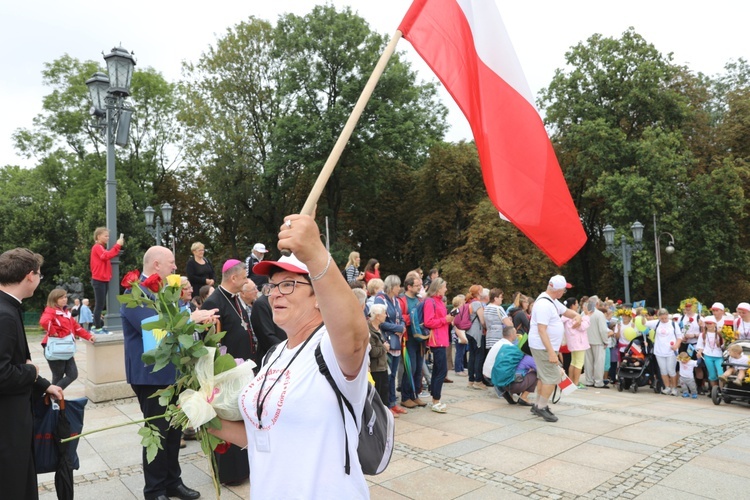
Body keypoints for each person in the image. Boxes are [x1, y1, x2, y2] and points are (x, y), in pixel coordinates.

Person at [210, 214, 370, 499]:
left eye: (289, 284)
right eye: (272, 286)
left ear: (318, 295)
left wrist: (315, 252)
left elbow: (355, 338)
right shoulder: (274, 354)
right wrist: (201, 416)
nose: (274, 294)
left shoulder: (331, 349)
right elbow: (260, 435)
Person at [121, 245, 217, 500]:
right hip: (151, 376)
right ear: (156, 265)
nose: (175, 267)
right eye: (172, 263)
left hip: (172, 373)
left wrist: (196, 326)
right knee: (157, 433)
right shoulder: (135, 293)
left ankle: (172, 482)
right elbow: (153, 330)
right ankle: (154, 490)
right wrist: (191, 319)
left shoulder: (163, 292)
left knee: (174, 431)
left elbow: (178, 330)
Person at [0, 248, 64, 499]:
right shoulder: (4, 314)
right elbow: (3, 373)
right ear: (29, 276)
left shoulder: (8, 306)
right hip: (8, 425)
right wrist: (31, 370)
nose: (39, 280)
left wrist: (43, 384)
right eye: (39, 275)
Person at [201, 259, 254, 486]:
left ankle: (243, 470)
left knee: (241, 418)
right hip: (226, 376)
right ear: (233, 278)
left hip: (241, 373)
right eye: (244, 276)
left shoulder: (234, 299)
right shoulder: (213, 302)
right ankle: (229, 474)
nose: (246, 280)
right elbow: (207, 342)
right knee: (227, 421)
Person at [528, 275, 580, 422]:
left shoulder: (551, 300)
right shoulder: (545, 304)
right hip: (544, 347)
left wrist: (577, 316)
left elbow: (567, 312)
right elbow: (542, 330)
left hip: (544, 346)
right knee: (551, 377)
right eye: (564, 289)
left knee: (543, 377)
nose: (564, 292)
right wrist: (552, 353)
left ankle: (537, 404)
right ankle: (542, 407)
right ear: (558, 291)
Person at [39, 289, 96, 389]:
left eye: (65, 297)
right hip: (55, 347)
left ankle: (51, 398)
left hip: (66, 347)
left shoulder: (65, 312)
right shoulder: (51, 310)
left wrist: (88, 336)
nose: (64, 299)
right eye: (61, 298)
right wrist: (53, 332)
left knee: (72, 374)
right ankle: (53, 400)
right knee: (58, 376)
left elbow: (76, 327)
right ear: (54, 299)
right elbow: (44, 321)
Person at [374, 275, 407, 417]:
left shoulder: (396, 300)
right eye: (398, 285)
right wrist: (398, 328)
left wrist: (403, 327)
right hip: (386, 342)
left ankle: (393, 403)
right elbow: (379, 321)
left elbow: (401, 318)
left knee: (393, 375)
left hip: (396, 341)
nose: (400, 288)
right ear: (392, 286)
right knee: (387, 376)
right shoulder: (380, 298)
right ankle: (386, 405)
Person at [483, 325, 536, 406]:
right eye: (515, 333)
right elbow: (543, 371)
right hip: (495, 378)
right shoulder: (511, 347)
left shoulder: (502, 344)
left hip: (492, 375)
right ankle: (523, 397)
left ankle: (508, 392)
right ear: (511, 335)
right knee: (534, 375)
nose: (517, 335)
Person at [397, 274, 427, 409]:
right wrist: (413, 318)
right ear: (409, 287)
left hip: (420, 339)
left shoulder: (420, 300)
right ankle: (405, 397)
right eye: (417, 286)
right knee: (411, 368)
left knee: (418, 369)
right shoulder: (402, 300)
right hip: (408, 338)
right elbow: (399, 317)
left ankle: (415, 395)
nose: (420, 287)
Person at [423, 277, 452, 413]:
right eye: (444, 287)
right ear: (438, 288)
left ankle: (435, 398)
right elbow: (428, 322)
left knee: (437, 370)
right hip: (437, 339)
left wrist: (447, 319)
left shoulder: (439, 301)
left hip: (442, 338)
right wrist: (444, 320)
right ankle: (436, 400)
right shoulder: (430, 301)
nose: (446, 289)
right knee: (441, 370)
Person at [89, 227, 124, 333]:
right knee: (99, 304)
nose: (108, 238)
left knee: (100, 303)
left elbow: (107, 255)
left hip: (102, 279)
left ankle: (96, 326)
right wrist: (117, 245)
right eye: (106, 236)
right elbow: (106, 256)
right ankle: (98, 327)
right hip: (99, 279)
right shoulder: (97, 247)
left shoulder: (100, 247)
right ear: (98, 236)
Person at [562, 297, 591, 389]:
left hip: (573, 342)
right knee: (579, 363)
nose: (578, 305)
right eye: (577, 303)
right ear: (573, 305)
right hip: (579, 343)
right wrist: (587, 316)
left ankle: (571, 381)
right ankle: (576, 383)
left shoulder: (565, 317)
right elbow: (582, 327)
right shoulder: (572, 316)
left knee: (573, 362)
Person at [653, 308, 682, 396]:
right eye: (662, 318)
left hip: (670, 351)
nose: (664, 320)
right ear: (659, 317)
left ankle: (674, 388)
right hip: (659, 350)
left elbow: (679, 337)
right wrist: (642, 315)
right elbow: (644, 323)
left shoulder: (674, 324)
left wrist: (676, 345)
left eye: (665, 318)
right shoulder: (656, 323)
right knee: (663, 370)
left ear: (668, 316)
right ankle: (667, 387)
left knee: (671, 370)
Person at [584, 296, 612, 388]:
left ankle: (589, 381)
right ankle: (598, 382)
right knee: (599, 363)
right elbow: (603, 330)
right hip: (598, 341)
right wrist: (605, 340)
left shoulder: (583, 313)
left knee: (588, 362)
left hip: (586, 341)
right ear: (596, 303)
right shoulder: (599, 314)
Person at [465, 285, 487, 390]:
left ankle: (471, 380)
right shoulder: (477, 303)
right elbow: (482, 320)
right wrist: (486, 327)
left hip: (469, 332)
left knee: (472, 355)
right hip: (476, 332)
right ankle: (478, 381)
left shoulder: (469, 302)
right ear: (478, 292)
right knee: (479, 355)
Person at [368, 303, 390, 410]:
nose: (386, 315)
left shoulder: (379, 328)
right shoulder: (369, 331)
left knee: (385, 393)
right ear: (377, 316)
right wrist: (384, 348)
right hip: (376, 368)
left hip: (382, 366)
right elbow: (373, 352)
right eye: (384, 313)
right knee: (379, 395)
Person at [696, 316, 724, 393]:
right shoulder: (703, 334)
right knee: (712, 375)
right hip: (708, 356)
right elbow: (700, 346)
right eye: (707, 323)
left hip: (718, 356)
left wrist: (720, 344)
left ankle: (722, 391)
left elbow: (724, 346)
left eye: (710, 323)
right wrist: (699, 352)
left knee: (721, 374)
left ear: (715, 324)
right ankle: (715, 391)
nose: (709, 325)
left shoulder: (719, 334)